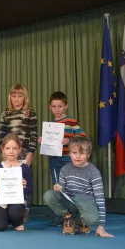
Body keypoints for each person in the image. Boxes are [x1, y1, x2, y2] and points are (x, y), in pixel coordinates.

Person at [43, 137, 113, 237]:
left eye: (82, 153)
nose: (78, 156)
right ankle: (68, 218)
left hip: (86, 201)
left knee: (92, 219)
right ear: (70, 153)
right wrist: (58, 187)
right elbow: (62, 188)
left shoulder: (94, 172)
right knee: (48, 195)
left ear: (88, 154)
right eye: (74, 153)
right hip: (70, 201)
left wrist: (101, 226)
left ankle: (81, 220)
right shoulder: (65, 169)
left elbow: (100, 198)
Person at [39, 91, 86, 226]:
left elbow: (82, 137)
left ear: (66, 106)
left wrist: (70, 140)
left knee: (71, 187)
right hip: (55, 159)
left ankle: (76, 214)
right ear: (50, 107)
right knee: (57, 187)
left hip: (68, 159)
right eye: (54, 106)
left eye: (60, 106)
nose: (57, 109)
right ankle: (61, 215)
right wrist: (43, 140)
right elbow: (50, 142)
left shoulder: (71, 121)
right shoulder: (51, 125)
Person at [0, 84, 37, 222]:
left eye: (19, 96)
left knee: (23, 182)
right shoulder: (5, 113)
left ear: (24, 97)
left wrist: (31, 152)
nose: (16, 98)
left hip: (24, 151)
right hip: (9, 152)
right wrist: (2, 152)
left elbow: (33, 134)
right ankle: (7, 207)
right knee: (9, 181)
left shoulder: (30, 113)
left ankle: (24, 208)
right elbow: (2, 135)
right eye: (13, 96)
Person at [0, 133, 32, 232]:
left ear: (19, 149)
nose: (11, 151)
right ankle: (7, 218)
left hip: (18, 202)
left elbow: (31, 188)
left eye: (14, 148)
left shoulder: (24, 167)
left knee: (15, 213)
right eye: (8, 148)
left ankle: (17, 221)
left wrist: (25, 186)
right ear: (3, 149)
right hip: (2, 203)